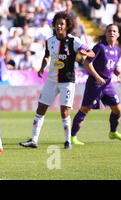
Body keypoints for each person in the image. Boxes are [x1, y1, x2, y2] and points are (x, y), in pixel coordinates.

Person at [19, 11, 95, 150]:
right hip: (51, 80)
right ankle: (34, 140)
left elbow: (92, 52)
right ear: (54, 25)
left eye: (62, 24)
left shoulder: (74, 40)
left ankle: (67, 141)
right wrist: (42, 67)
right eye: (57, 24)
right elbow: (47, 56)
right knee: (41, 107)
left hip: (67, 81)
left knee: (64, 111)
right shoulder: (50, 41)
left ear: (67, 26)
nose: (59, 26)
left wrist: (85, 53)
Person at [71, 24, 121, 144]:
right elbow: (87, 63)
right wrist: (97, 77)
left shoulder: (117, 50)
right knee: (85, 109)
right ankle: (72, 137)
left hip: (107, 85)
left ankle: (113, 132)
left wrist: (119, 74)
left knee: (117, 109)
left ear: (118, 35)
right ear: (106, 33)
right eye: (109, 31)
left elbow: (113, 66)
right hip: (94, 84)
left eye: (114, 31)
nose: (111, 33)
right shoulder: (99, 47)